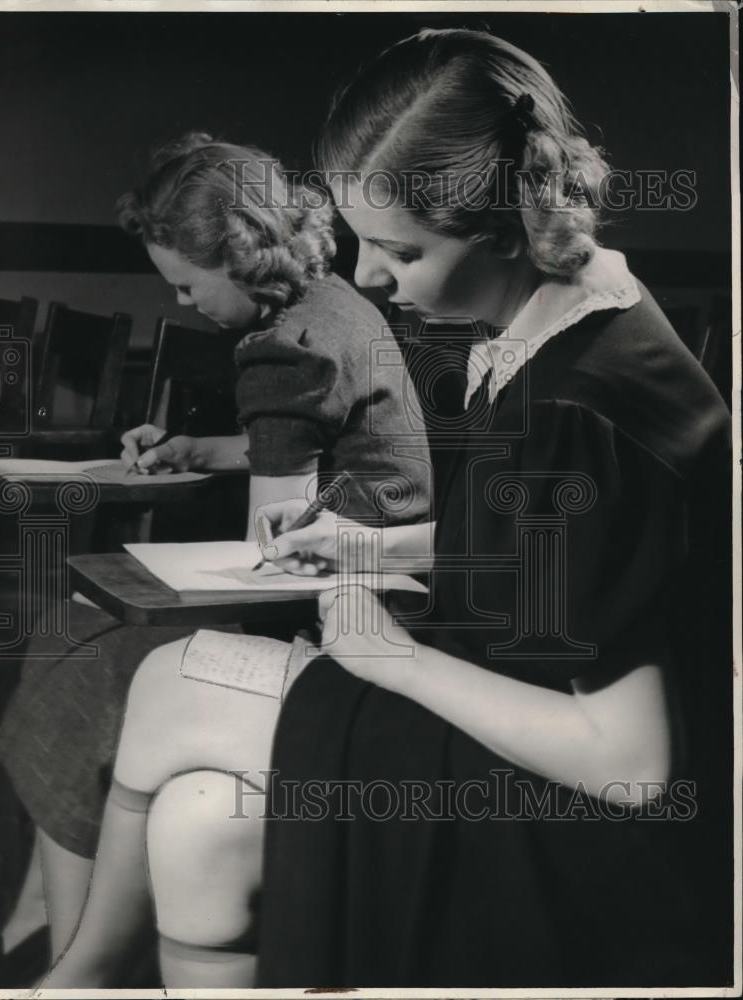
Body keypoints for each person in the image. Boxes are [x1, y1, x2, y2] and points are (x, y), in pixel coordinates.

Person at [248, 28, 732, 988]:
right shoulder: (590, 316)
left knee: (172, 692)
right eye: (357, 240)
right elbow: (578, 549)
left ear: (506, 230)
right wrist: (372, 541)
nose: (369, 278)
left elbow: (629, 767)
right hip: (537, 741)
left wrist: (386, 654)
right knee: (187, 825)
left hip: (590, 837)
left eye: (399, 250)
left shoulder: (570, 406)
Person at [0, 133, 430, 972]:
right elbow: (322, 449)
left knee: (78, 648)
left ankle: (70, 951)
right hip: (389, 580)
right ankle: (50, 929)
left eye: (186, 283)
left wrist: (146, 583)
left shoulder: (281, 349)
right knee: (73, 633)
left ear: (239, 256)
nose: (183, 300)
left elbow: (271, 553)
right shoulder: (333, 303)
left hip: (349, 616)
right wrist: (203, 448)